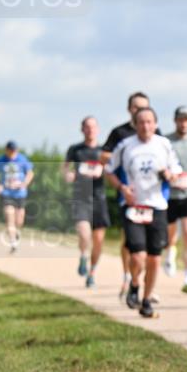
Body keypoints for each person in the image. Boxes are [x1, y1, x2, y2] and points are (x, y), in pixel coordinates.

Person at [106, 107, 181, 318]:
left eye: (149, 122)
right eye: (141, 122)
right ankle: (135, 283)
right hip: (133, 206)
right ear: (135, 124)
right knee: (138, 255)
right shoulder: (125, 146)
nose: (146, 126)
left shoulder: (163, 144)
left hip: (157, 206)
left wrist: (170, 174)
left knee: (155, 258)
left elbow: (176, 170)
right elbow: (109, 171)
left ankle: (147, 300)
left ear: (155, 124)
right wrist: (122, 188)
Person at [102, 92, 151, 301]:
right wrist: (122, 158)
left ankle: (143, 281)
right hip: (127, 195)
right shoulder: (119, 133)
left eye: (144, 107)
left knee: (148, 244)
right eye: (136, 107)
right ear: (129, 109)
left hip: (151, 196)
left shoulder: (153, 131)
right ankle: (127, 275)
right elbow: (104, 156)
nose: (140, 111)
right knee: (129, 240)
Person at [63, 116, 109, 287]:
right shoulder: (75, 150)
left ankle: (92, 273)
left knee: (98, 240)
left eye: (93, 127)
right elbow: (65, 168)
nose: (90, 130)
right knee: (84, 234)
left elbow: (112, 168)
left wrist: (102, 170)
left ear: (97, 129)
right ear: (82, 129)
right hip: (80, 197)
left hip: (99, 198)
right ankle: (83, 256)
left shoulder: (104, 150)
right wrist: (68, 175)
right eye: (87, 127)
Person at [163, 106, 187, 293]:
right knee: (171, 236)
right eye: (181, 119)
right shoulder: (165, 142)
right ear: (175, 120)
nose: (184, 123)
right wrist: (166, 173)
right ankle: (170, 252)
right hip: (170, 195)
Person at [0, 141, 34, 253]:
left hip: (20, 194)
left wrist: (24, 183)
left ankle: (16, 233)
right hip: (6, 193)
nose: (12, 152)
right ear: (6, 150)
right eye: (10, 150)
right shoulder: (0, 160)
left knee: (19, 220)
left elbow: (30, 173)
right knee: (10, 217)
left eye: (14, 150)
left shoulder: (22, 159)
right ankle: (13, 243)